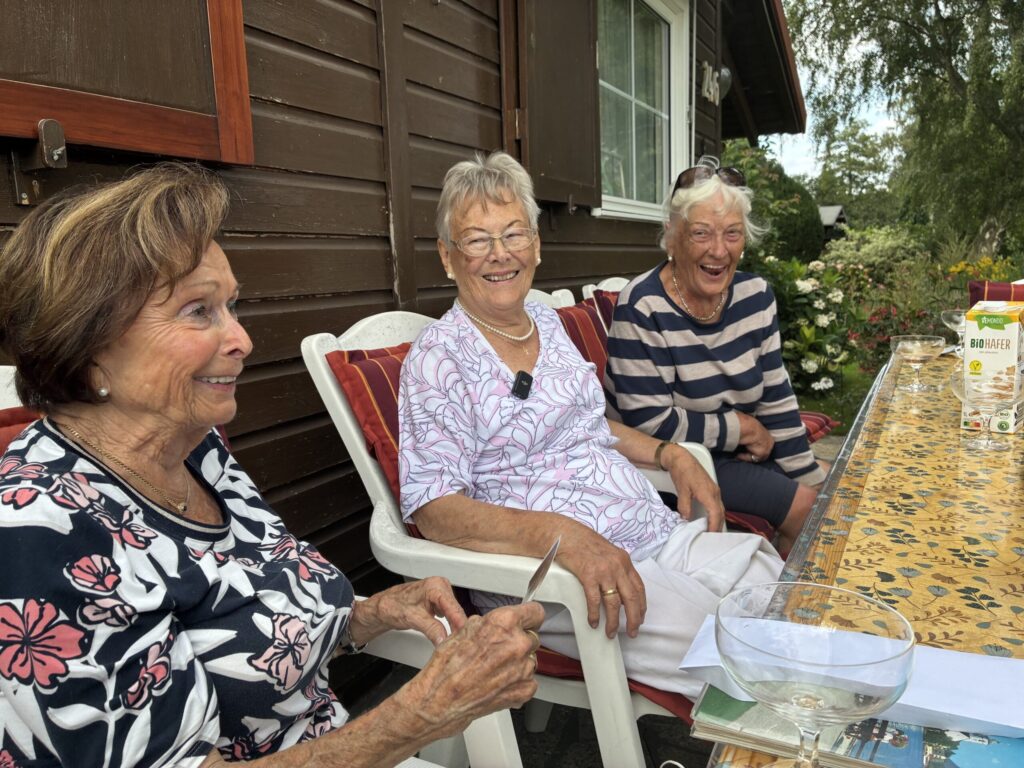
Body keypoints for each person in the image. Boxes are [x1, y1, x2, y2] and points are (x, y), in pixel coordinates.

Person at [0, 163, 543, 768]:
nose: (242, 339)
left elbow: (256, 624)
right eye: (198, 311)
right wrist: (422, 714)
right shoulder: (42, 530)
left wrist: (368, 615)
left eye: (231, 306)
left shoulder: (195, 447)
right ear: (88, 343)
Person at [398, 151, 782, 699]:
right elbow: (435, 512)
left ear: (535, 242)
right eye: (478, 239)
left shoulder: (547, 325)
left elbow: (591, 424)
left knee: (771, 584)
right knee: (736, 651)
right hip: (559, 574)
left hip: (647, 531)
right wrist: (564, 536)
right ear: (447, 257)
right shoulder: (439, 358)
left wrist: (670, 454)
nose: (500, 255)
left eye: (514, 234)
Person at [604, 156, 827, 551]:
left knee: (835, 491)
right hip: (672, 463)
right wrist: (741, 429)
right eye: (702, 234)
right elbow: (649, 422)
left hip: (734, 453)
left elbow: (775, 395)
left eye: (732, 233)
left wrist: (805, 473)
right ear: (672, 236)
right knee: (811, 511)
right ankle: (784, 605)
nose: (719, 251)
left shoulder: (755, 297)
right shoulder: (642, 305)